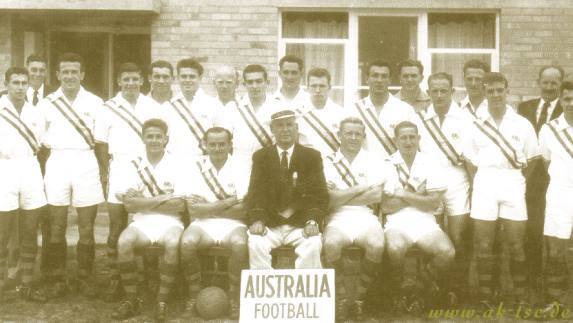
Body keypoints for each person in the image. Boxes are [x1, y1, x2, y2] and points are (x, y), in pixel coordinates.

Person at [465, 72, 540, 308]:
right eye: (491, 91)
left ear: (507, 91)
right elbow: (469, 160)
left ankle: (519, 297)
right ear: (485, 94)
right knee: (484, 243)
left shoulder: (522, 123)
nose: (496, 95)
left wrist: (518, 181)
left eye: (500, 90)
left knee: (516, 243)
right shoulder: (476, 124)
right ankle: (486, 296)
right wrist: (480, 182)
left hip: (512, 180)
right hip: (485, 180)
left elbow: (533, 159)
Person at [94, 62, 164, 301]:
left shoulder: (153, 106)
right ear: (119, 82)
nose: (131, 83)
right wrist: (106, 172)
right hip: (121, 168)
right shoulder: (107, 108)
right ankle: (117, 278)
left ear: (142, 81)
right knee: (116, 225)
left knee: (148, 222)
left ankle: (150, 274)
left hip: (147, 168)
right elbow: (101, 144)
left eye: (135, 79)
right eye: (126, 79)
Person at [39, 52, 104, 298]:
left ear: (82, 74)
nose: (69, 76)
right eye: (64, 72)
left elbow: (100, 141)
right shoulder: (47, 103)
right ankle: (57, 278)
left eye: (74, 72)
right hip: (57, 161)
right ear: (57, 75)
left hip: (85, 161)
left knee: (86, 226)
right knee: (56, 224)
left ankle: (85, 277)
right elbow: (39, 140)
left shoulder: (96, 102)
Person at [111, 118, 185, 322]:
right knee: (124, 242)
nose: (154, 140)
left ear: (166, 139)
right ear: (143, 138)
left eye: (158, 137)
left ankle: (162, 300)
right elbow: (129, 206)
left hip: (171, 221)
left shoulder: (178, 162)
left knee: (172, 242)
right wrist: (162, 198)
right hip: (142, 221)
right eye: (149, 136)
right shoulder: (133, 163)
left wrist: (143, 200)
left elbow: (179, 205)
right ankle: (132, 298)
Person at [382, 121, 455, 312]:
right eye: (403, 137)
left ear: (418, 138)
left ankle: (417, 286)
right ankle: (400, 291)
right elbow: (387, 207)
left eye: (412, 137)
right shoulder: (388, 164)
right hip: (396, 222)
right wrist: (418, 193)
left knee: (447, 253)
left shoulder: (430, 163)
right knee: (395, 248)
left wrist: (404, 194)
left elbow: (433, 203)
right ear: (395, 140)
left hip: (425, 221)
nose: (408, 141)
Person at [179, 127, 249, 319]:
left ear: (230, 145)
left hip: (234, 223)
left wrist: (208, 207)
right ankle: (194, 295)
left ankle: (234, 297)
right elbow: (193, 210)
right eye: (212, 144)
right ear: (205, 145)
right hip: (203, 223)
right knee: (186, 243)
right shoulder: (195, 167)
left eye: (222, 144)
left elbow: (243, 210)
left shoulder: (242, 166)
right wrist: (227, 202)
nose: (217, 148)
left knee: (241, 245)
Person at [416, 73, 473, 304]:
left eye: (444, 91)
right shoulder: (420, 118)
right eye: (434, 91)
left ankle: (455, 288)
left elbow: (470, 158)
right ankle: (432, 289)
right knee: (433, 236)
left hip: (457, 180)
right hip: (430, 183)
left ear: (452, 92)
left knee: (458, 237)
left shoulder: (465, 119)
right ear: (428, 93)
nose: (439, 95)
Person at [246, 109, 329, 269]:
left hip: (300, 224)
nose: (285, 129)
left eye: (289, 125)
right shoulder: (261, 157)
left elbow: (319, 195)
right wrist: (258, 219)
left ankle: (307, 291)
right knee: (255, 242)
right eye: (280, 125)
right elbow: (255, 193)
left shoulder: (311, 157)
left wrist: (312, 221)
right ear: (272, 129)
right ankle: (263, 292)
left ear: (296, 128)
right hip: (270, 223)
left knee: (313, 242)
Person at [322, 117, 386, 320]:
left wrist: (342, 194)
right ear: (339, 135)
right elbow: (329, 200)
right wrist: (360, 188)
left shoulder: (373, 160)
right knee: (331, 244)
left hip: (366, 215)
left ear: (363, 137)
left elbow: (376, 196)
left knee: (376, 245)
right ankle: (342, 298)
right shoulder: (327, 160)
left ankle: (358, 297)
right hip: (337, 217)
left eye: (357, 134)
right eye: (348, 133)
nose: (353, 137)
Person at [0, 67, 47, 302]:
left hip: (29, 168)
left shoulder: (35, 112)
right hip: (3, 168)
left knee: (30, 229)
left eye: (23, 83)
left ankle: (27, 282)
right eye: (15, 82)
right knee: (2, 230)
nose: (20, 87)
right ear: (6, 83)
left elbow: (40, 143)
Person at [517, 65, 564, 294]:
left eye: (554, 83)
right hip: (530, 184)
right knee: (533, 232)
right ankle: (534, 281)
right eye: (545, 82)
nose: (548, 87)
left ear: (561, 84)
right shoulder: (524, 107)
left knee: (557, 234)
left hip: (558, 182)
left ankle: (556, 285)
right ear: (538, 82)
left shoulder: (567, 110)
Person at [538, 81, 573, 311]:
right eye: (567, 99)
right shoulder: (549, 129)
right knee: (556, 247)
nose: (571, 103)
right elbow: (546, 161)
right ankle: (556, 300)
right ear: (560, 100)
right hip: (560, 194)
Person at [352, 60, 416, 161]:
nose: (379, 80)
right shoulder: (354, 110)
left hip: (396, 170)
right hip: (364, 170)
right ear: (367, 79)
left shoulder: (405, 110)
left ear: (390, 80)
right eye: (375, 75)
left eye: (384, 76)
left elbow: (415, 145)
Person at [218, 64, 279, 168]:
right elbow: (224, 141)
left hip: (271, 163)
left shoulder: (278, 106)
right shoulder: (232, 108)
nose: (254, 86)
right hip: (241, 164)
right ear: (244, 84)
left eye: (259, 81)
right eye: (250, 82)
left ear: (267, 82)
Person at [165, 58, 215, 162]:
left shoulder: (212, 104)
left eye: (192, 76)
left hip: (203, 161)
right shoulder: (169, 106)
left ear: (200, 78)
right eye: (184, 76)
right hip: (175, 160)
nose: (187, 80)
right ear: (178, 78)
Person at [296, 67, 346, 157]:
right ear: (307, 87)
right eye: (314, 86)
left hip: (333, 167)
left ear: (329, 87)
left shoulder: (341, 114)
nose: (318, 90)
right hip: (307, 166)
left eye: (322, 86)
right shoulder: (298, 113)